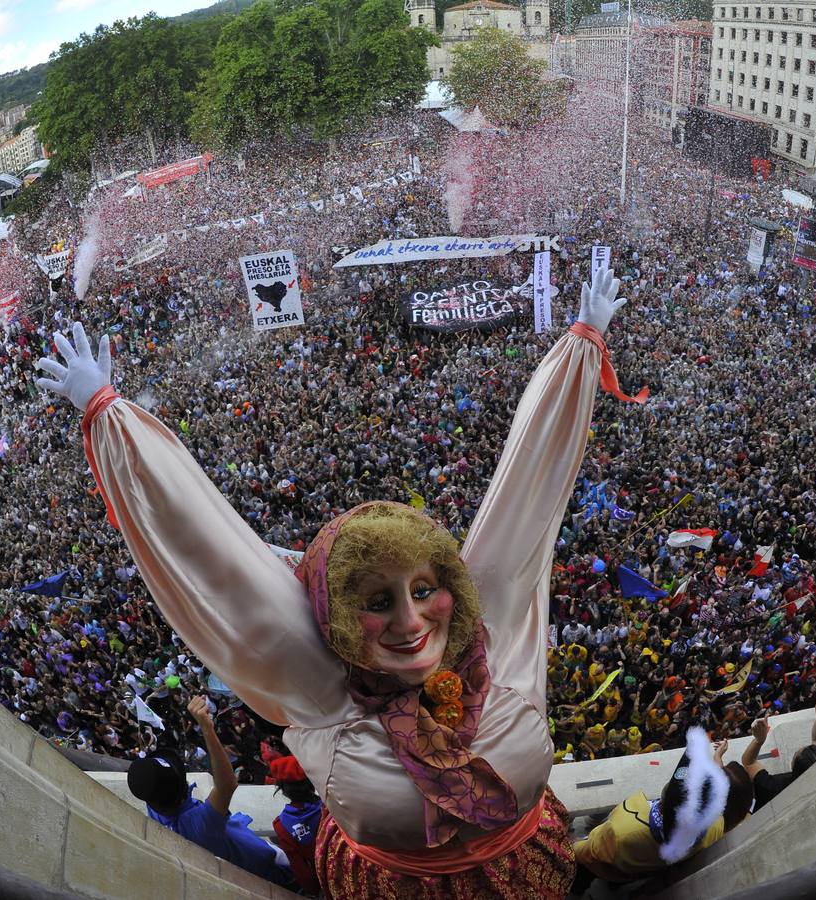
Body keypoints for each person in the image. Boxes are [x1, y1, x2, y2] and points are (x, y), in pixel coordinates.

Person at [35, 269, 640, 898]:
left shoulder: (493, 624)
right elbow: (208, 549)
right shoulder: (316, 683)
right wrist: (111, 418)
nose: (410, 622)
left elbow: (528, 491)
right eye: (377, 602)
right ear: (334, 615)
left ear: (456, 585)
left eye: (423, 588)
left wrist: (581, 347)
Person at [126, 695, 293, 887]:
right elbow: (227, 785)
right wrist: (207, 728)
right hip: (267, 868)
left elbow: (149, 782)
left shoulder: (155, 807)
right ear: (181, 790)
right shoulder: (199, 826)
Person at [571, 726, 755, 885]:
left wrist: (572, 844)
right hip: (635, 872)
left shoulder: (622, 830)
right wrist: (717, 758)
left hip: (602, 865)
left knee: (582, 876)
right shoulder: (715, 827)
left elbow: (584, 851)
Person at [742, 689, 816, 810]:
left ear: (795, 766)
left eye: (796, 754)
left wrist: (759, 740)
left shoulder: (773, 787)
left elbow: (749, 762)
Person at [265, 747, 324, 896]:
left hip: (327, 877)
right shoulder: (330, 804)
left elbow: (301, 870)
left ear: (283, 790)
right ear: (311, 783)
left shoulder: (282, 826)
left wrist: (314, 891)